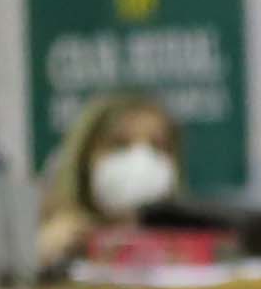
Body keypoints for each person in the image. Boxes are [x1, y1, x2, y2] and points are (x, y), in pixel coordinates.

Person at [36, 90, 186, 269]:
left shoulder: (190, 247)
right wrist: (38, 257)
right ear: (85, 157)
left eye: (157, 146)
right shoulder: (52, 237)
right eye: (120, 145)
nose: (140, 159)